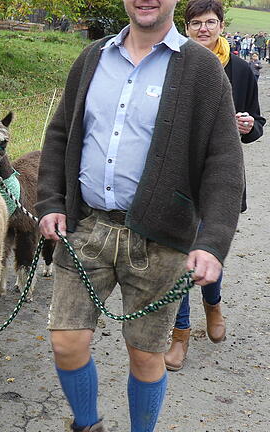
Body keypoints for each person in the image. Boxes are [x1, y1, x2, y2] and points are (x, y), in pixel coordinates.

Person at [35, 0, 245, 429]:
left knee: (146, 356)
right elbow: (60, 134)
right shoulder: (93, 57)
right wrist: (52, 202)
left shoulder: (202, 69)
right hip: (87, 226)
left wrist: (213, 242)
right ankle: (87, 424)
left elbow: (224, 161)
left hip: (160, 238)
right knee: (66, 343)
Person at [165, 0, 266, 372]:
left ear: (222, 25)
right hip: (175, 177)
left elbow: (256, 124)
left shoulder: (239, 70)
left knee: (206, 253)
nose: (203, 29)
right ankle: (180, 333)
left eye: (210, 22)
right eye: (195, 23)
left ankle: (214, 303)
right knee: (177, 258)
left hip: (219, 180)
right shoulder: (171, 63)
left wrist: (246, 126)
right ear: (186, 27)